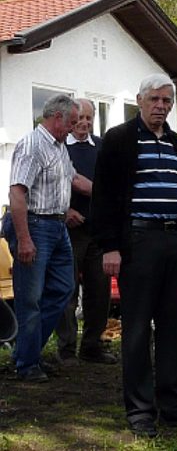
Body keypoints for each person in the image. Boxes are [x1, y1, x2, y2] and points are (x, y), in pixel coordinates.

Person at [91, 74, 177, 437]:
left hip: (175, 242)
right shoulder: (120, 140)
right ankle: (140, 410)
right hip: (137, 242)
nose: (161, 106)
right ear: (141, 101)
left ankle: (174, 405)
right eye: (155, 99)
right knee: (138, 328)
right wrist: (109, 245)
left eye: (166, 101)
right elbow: (105, 196)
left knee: (176, 327)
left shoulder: (176, 144)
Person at [4, 95, 92, 382]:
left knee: (63, 289)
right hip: (34, 225)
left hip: (56, 226)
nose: (74, 127)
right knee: (30, 298)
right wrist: (24, 239)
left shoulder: (58, 148)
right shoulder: (32, 146)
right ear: (57, 118)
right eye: (71, 122)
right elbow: (17, 195)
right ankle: (27, 364)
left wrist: (112, 193)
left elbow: (75, 180)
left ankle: (26, 354)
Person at [55, 99, 115, 365]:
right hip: (69, 232)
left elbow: (113, 183)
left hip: (98, 231)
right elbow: (49, 185)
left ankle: (92, 347)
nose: (84, 123)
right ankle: (66, 349)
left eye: (89, 118)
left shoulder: (102, 148)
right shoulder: (58, 149)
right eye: (80, 118)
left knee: (99, 292)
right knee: (67, 291)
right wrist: (65, 210)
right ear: (71, 118)